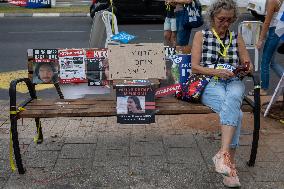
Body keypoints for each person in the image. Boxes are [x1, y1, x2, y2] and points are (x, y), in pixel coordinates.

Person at [191, 0, 253, 187]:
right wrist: (215, 71)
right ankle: (229, 166)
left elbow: (249, 65)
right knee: (237, 112)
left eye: (229, 20)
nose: (225, 24)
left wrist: (243, 69)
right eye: (221, 19)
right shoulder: (201, 35)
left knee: (234, 98)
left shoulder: (236, 37)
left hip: (233, 81)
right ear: (212, 18)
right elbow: (195, 67)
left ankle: (222, 155)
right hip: (209, 82)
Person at [254, 0, 283, 95]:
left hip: (273, 32)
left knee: (265, 62)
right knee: (272, 63)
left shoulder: (272, 1)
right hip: (278, 31)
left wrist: (260, 40)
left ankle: (263, 89)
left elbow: (267, 22)